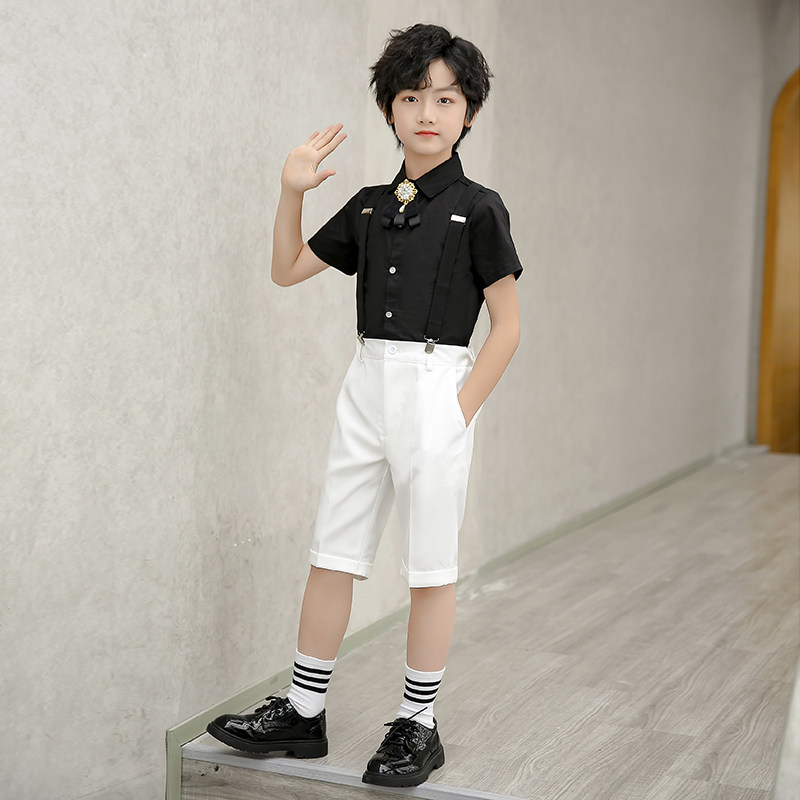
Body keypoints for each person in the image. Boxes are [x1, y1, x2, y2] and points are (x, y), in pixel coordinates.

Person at [207, 22, 523, 789]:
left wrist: (456, 411)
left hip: (435, 386)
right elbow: (286, 269)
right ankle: (303, 710)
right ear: (389, 109)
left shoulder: (479, 208)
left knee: (430, 566)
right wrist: (291, 188)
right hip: (366, 385)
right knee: (334, 551)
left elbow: (508, 327)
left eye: (444, 98)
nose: (427, 112)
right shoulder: (370, 206)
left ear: (470, 112)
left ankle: (418, 723)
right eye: (411, 97)